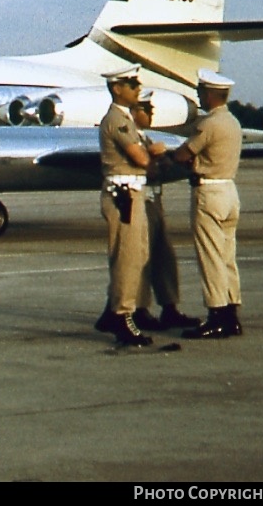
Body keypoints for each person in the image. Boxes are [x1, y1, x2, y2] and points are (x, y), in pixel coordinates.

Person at [95, 64, 166, 346]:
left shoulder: (128, 120)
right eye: (132, 84)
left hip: (131, 192)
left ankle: (113, 310)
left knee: (135, 254)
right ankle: (121, 314)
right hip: (123, 195)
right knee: (127, 257)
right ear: (117, 88)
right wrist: (154, 152)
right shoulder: (118, 120)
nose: (138, 89)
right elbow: (140, 159)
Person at [171, 68, 244, 340]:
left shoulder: (208, 124)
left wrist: (172, 156)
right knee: (227, 256)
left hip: (209, 193)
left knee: (211, 257)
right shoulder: (233, 122)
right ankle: (231, 314)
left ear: (211, 94)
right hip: (229, 191)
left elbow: (183, 153)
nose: (199, 95)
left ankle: (216, 315)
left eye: (201, 91)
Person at [130, 91, 201, 330]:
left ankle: (169, 306)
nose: (151, 113)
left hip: (153, 200)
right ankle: (139, 309)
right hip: (139, 200)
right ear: (133, 111)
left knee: (163, 253)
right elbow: (143, 168)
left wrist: (167, 161)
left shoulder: (145, 138)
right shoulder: (130, 137)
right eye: (146, 109)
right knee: (142, 255)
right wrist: (155, 158)